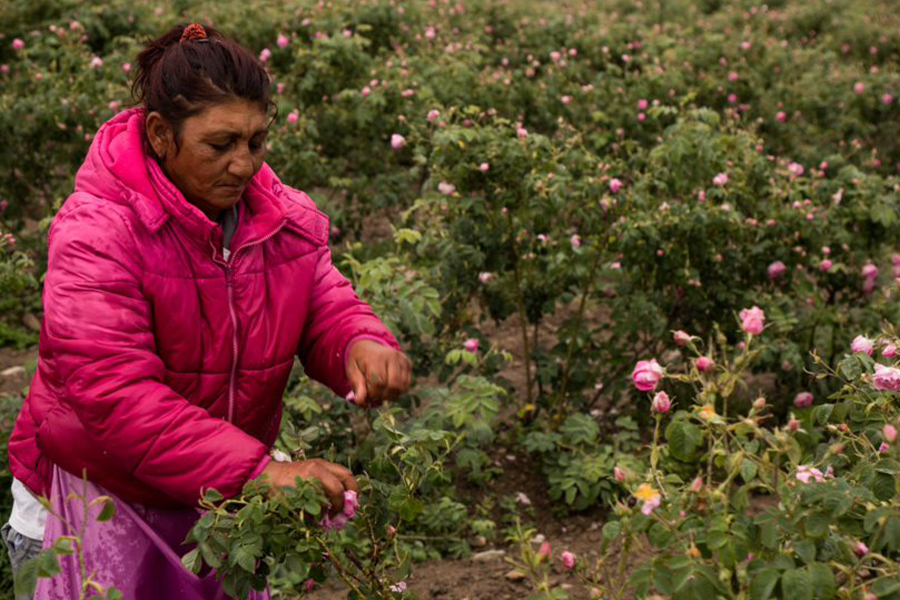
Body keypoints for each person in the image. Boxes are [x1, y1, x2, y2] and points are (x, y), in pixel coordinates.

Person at [4, 22, 412, 599]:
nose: (244, 165)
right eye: (220, 145)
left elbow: (321, 301)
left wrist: (358, 345)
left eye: (256, 141)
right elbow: (116, 398)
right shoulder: (98, 230)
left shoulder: (276, 217)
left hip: (210, 495)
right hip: (95, 502)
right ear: (160, 135)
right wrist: (259, 475)